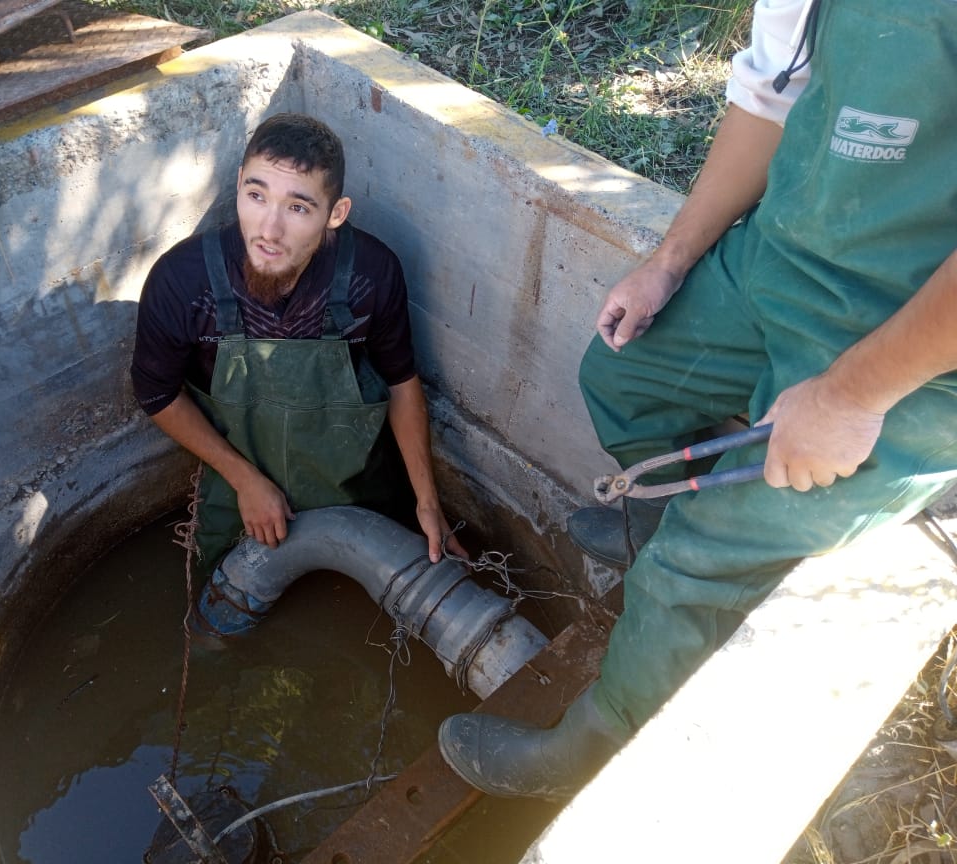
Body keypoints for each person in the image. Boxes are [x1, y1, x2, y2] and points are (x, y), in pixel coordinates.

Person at [438, 0, 957, 799]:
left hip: (917, 350)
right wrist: (668, 263)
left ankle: (594, 748)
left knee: (702, 555)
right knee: (622, 379)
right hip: (785, 260)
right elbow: (768, 99)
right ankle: (654, 534)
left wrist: (852, 394)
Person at [131, 113, 463, 581]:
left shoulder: (371, 273)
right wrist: (245, 480)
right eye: (256, 195)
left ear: (336, 214)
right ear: (239, 185)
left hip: (352, 483)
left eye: (298, 208)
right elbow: (156, 394)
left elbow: (401, 383)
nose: (268, 229)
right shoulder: (182, 280)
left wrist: (427, 504)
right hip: (235, 483)